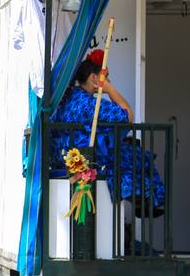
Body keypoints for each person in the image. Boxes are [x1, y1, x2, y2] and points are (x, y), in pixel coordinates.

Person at [49, 50, 165, 211]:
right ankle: (148, 199)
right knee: (138, 156)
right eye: (106, 76)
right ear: (94, 78)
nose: (109, 80)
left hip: (60, 157)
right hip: (84, 159)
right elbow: (128, 115)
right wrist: (109, 89)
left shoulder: (66, 98)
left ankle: (140, 197)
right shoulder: (89, 104)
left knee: (127, 151)